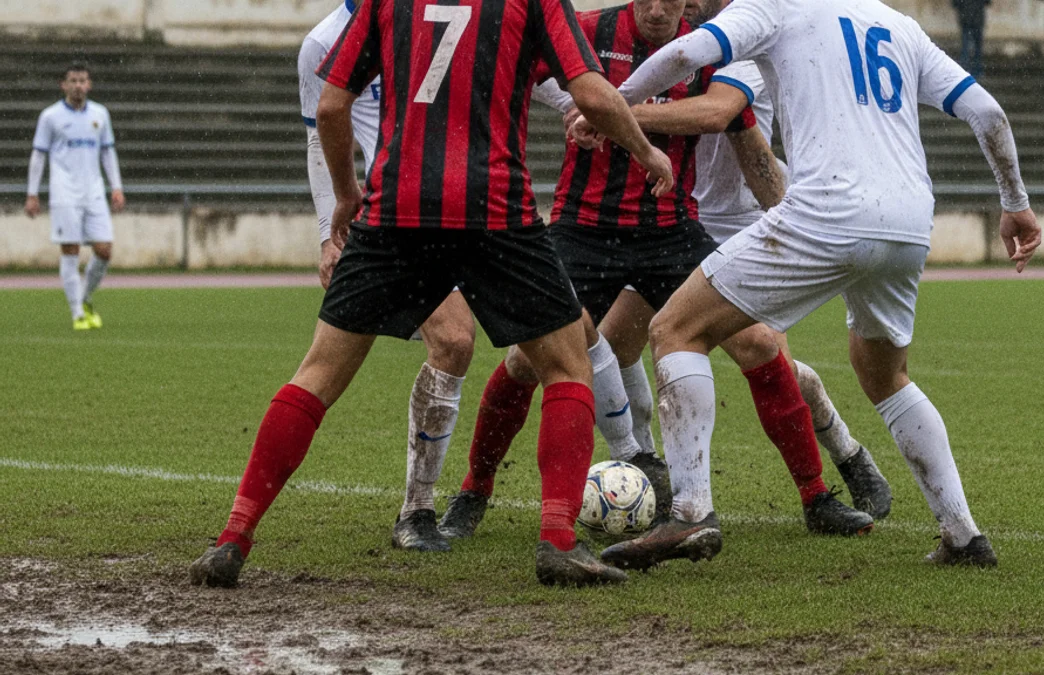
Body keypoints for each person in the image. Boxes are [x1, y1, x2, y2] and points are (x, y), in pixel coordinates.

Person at [189, 0, 675, 589]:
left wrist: (346, 197)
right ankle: (558, 542)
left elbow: (331, 105)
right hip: (494, 210)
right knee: (567, 364)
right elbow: (590, 94)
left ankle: (233, 538)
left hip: (395, 210)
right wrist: (647, 151)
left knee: (316, 373)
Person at [603, 0, 1042, 569]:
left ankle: (689, 514)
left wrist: (616, 106)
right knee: (884, 374)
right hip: (908, 223)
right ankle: (963, 534)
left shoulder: (776, 7)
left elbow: (688, 53)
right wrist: (1016, 205)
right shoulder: (898, 25)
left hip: (827, 210)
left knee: (675, 329)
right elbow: (988, 113)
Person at [437, 0, 876, 555]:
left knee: (758, 340)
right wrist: (562, 115)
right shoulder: (590, 29)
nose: (657, 8)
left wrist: (613, 113)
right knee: (530, 358)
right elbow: (511, 77)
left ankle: (816, 497)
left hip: (672, 229)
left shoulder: (712, 46)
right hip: (584, 228)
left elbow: (727, 122)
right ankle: (474, 490)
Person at [297, 0, 478, 554]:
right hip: (392, 218)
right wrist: (329, 232)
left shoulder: (438, 14)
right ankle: (418, 509)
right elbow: (320, 134)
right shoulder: (323, 42)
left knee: (559, 339)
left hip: (467, 204)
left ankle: (637, 458)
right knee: (453, 341)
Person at [25, 63, 125, 331]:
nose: (78, 85)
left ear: (89, 85)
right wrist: (32, 194)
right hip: (64, 192)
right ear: (64, 85)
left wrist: (116, 187)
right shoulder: (50, 117)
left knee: (104, 250)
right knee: (70, 250)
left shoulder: (100, 114)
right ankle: (77, 314)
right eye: (73, 80)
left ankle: (85, 299)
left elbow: (107, 152)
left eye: (82, 80)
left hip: (93, 192)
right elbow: (38, 155)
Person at [952, 0, 989, 77]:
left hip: (965, 17)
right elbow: (987, 2)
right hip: (977, 17)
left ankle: (965, 70)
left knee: (965, 46)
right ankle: (977, 70)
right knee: (977, 47)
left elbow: (955, 3)